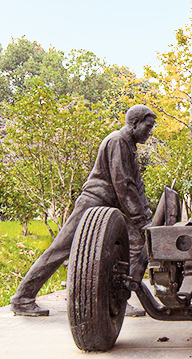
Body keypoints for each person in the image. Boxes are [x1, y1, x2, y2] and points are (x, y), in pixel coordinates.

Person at [10, 104, 156, 317]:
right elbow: (123, 184)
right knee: (61, 248)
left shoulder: (130, 146)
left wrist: (146, 217)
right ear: (135, 123)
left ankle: (120, 298)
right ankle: (22, 297)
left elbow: (136, 186)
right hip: (93, 203)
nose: (150, 132)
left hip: (111, 207)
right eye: (148, 126)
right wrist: (140, 219)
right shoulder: (117, 141)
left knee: (136, 243)